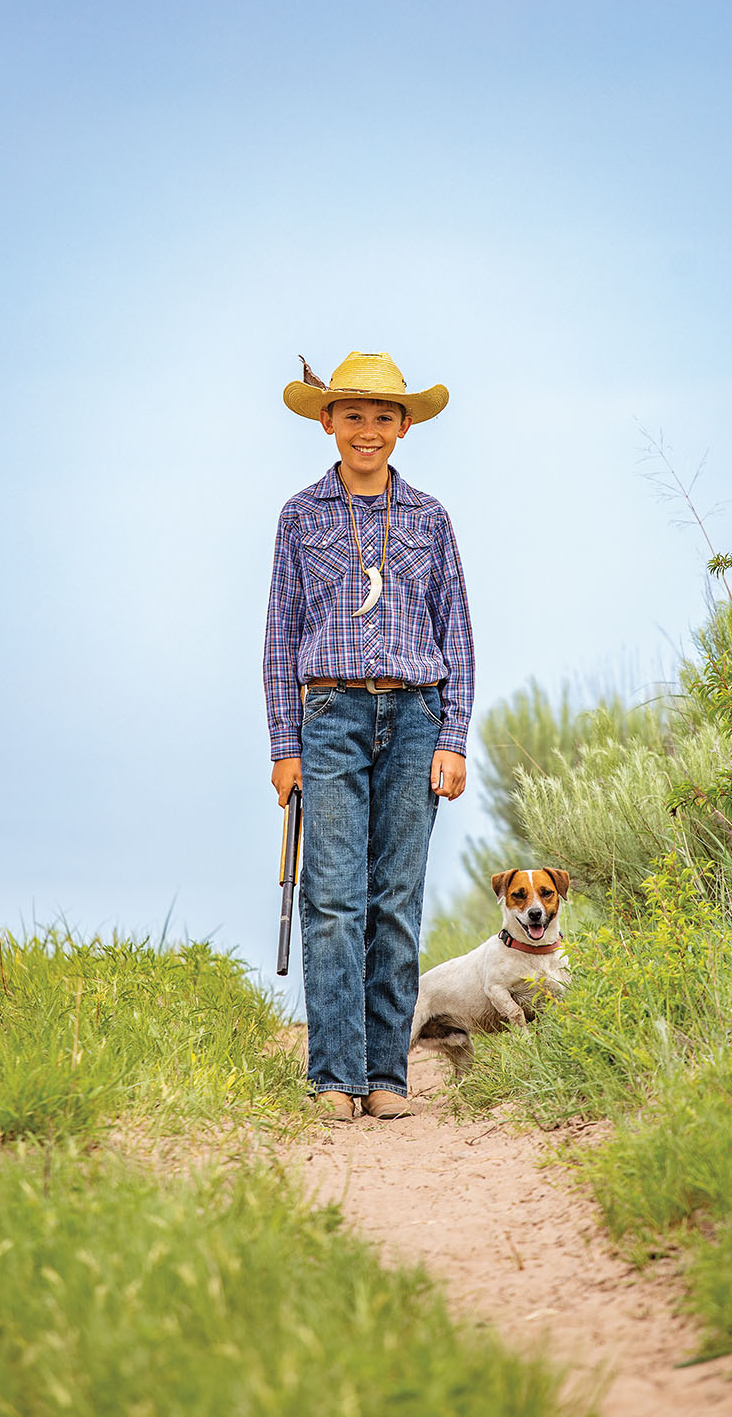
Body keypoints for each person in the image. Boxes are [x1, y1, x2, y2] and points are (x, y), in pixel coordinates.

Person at [264, 350, 474, 1122]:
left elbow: (458, 634)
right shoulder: (299, 517)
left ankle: (387, 1077)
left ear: (404, 427)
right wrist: (283, 747)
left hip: (417, 717)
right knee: (332, 900)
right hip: (328, 722)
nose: (368, 430)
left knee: (394, 899)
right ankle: (333, 1077)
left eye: (384, 417)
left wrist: (453, 736)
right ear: (327, 422)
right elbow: (279, 637)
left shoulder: (430, 519)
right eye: (353, 415)